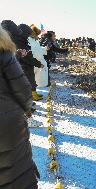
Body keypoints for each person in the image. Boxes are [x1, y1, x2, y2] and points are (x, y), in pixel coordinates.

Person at [0, 25, 39, 189]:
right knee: (17, 172)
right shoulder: (4, 55)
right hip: (8, 124)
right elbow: (23, 90)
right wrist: (27, 108)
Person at [18, 24, 44, 101]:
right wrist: (38, 64)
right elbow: (27, 57)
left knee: (31, 80)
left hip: (28, 65)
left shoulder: (24, 40)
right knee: (28, 81)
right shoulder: (20, 42)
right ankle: (29, 97)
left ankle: (33, 94)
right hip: (25, 65)